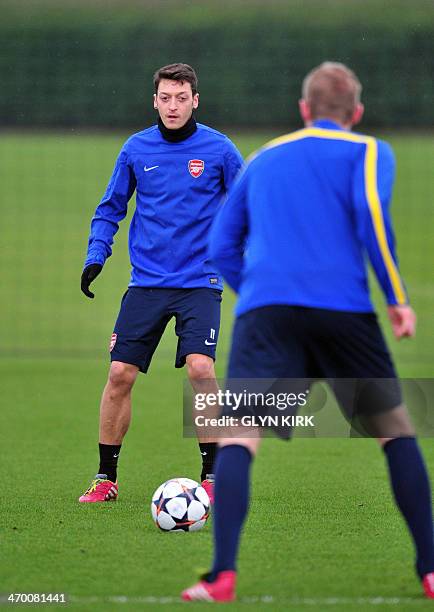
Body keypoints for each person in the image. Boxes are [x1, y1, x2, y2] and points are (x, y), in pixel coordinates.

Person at [182, 62, 434, 601]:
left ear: (304, 110)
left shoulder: (262, 157)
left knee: (240, 436)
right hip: (343, 311)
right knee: (396, 432)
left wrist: (253, 293)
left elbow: (221, 246)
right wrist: (396, 299)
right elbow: (371, 215)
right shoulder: (369, 152)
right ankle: (431, 570)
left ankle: (221, 574)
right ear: (357, 113)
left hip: (265, 314)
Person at [78, 63, 243, 503]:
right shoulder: (136, 149)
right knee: (119, 374)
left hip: (200, 281)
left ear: (195, 101)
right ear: (155, 100)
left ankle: (212, 477)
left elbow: (248, 207)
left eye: (181, 98)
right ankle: (105, 478)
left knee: (201, 368)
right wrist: (97, 255)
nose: (173, 106)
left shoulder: (220, 150)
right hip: (147, 283)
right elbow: (110, 208)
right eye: (165, 98)